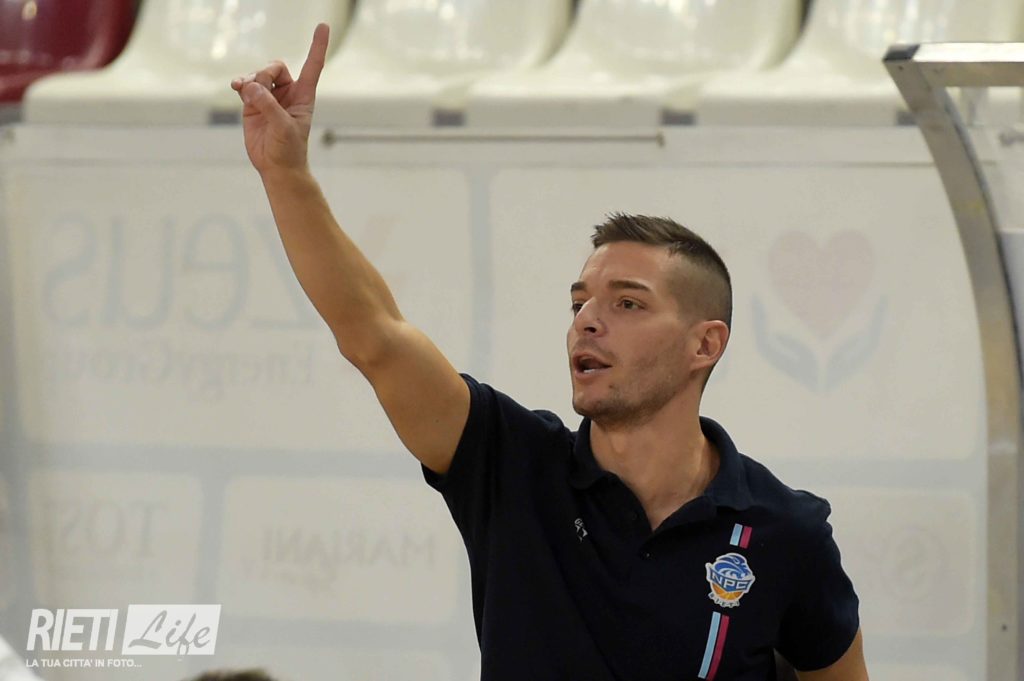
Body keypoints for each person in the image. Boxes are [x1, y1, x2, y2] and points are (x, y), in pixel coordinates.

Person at [231, 24, 869, 681]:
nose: (587, 321)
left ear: (704, 344)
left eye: (628, 303)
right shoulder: (510, 464)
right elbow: (375, 335)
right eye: (578, 303)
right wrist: (285, 172)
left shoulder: (785, 530)